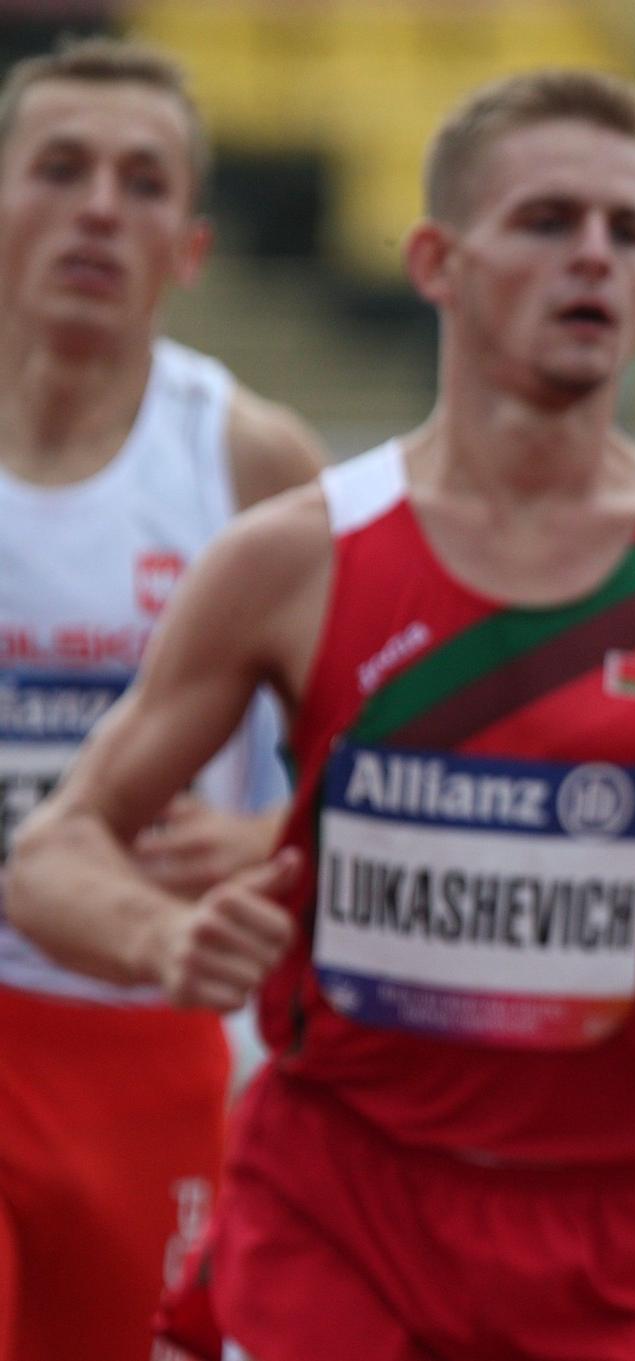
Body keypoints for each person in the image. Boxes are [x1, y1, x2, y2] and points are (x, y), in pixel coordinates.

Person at [9, 67, 635, 1361]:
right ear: (436, 261)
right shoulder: (295, 555)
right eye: (545, 221)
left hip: (608, 1209)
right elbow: (56, 848)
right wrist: (164, 934)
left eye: (626, 232)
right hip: (334, 1194)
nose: (591, 255)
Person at [0, 37, 323, 1361]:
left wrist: (269, 839)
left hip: (150, 1035)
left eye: (141, 183)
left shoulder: (247, 460)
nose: (97, 208)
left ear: (189, 248)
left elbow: (379, 751)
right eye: (61, 168)